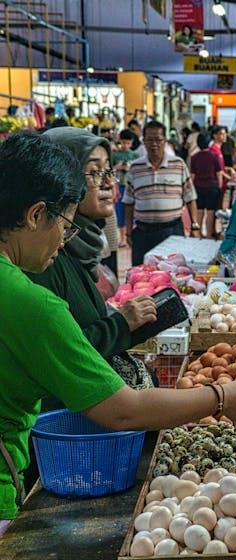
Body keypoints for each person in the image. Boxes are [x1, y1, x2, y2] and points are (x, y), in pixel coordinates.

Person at [0, 132, 236, 560]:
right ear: (34, 215)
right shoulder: (31, 303)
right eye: (62, 221)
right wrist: (220, 397)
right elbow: (122, 411)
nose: (65, 236)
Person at [28, 126, 157, 390]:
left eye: (110, 170)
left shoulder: (82, 249)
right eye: (95, 171)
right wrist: (120, 325)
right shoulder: (43, 258)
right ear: (62, 178)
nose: (109, 182)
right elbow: (57, 355)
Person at [124, 120, 199, 265]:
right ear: (143, 141)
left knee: (175, 277)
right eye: (150, 140)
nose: (154, 144)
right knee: (142, 278)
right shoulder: (135, 167)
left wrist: (195, 226)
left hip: (172, 232)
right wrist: (128, 231)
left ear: (165, 141)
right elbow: (128, 202)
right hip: (143, 233)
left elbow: (190, 197)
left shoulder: (178, 164)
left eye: (158, 140)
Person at [190, 133, 222, 239]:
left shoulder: (194, 157)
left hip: (198, 187)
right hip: (212, 188)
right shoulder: (214, 156)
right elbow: (219, 174)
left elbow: (192, 176)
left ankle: (198, 235)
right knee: (210, 212)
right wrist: (220, 187)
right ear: (209, 143)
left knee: (199, 212)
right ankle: (208, 235)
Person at [112, 128, 139, 246]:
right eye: (123, 143)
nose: (125, 145)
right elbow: (109, 170)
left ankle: (131, 235)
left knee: (132, 212)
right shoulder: (114, 155)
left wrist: (130, 168)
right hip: (119, 187)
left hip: (132, 187)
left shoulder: (135, 155)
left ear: (132, 143)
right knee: (120, 212)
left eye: (128, 143)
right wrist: (117, 167)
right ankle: (122, 238)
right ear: (119, 141)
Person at [209, 126, 236, 208]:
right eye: (221, 134)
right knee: (216, 208)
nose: (224, 136)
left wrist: (230, 169)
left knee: (219, 206)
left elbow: (221, 167)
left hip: (221, 183)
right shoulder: (213, 150)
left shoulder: (218, 149)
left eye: (225, 134)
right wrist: (230, 178)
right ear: (215, 136)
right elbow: (218, 170)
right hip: (217, 184)